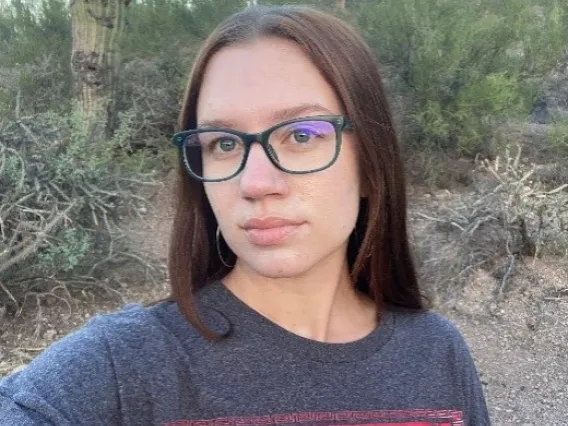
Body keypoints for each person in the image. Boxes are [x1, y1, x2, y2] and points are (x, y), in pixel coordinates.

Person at [0, 5, 490, 426]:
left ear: (370, 164)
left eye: (301, 135)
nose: (254, 183)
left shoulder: (436, 354)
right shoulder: (126, 363)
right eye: (224, 143)